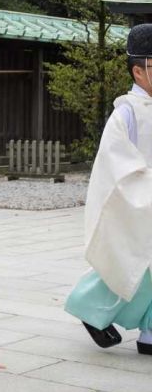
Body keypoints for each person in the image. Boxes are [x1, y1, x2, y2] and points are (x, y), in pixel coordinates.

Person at [65, 23, 152, 356]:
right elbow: (117, 163)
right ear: (138, 70)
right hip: (135, 200)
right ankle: (89, 308)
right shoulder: (126, 113)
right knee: (131, 261)